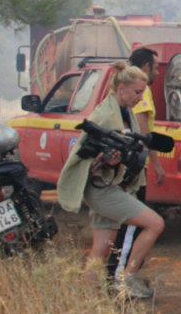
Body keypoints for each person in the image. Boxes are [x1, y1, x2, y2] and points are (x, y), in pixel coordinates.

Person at [57, 61, 165, 300]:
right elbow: (83, 157)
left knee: (101, 251)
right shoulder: (105, 115)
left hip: (109, 185)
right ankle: (130, 276)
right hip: (102, 189)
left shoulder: (122, 111)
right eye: (137, 92)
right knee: (155, 224)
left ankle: (90, 302)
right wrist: (103, 161)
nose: (140, 97)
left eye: (143, 92)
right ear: (122, 87)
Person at [105, 47, 165, 281]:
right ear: (147, 67)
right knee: (134, 225)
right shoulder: (142, 89)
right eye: (157, 67)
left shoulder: (120, 91)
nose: (159, 72)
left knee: (122, 226)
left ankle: (117, 273)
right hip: (132, 170)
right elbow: (143, 130)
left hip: (124, 168)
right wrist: (157, 164)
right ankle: (124, 278)